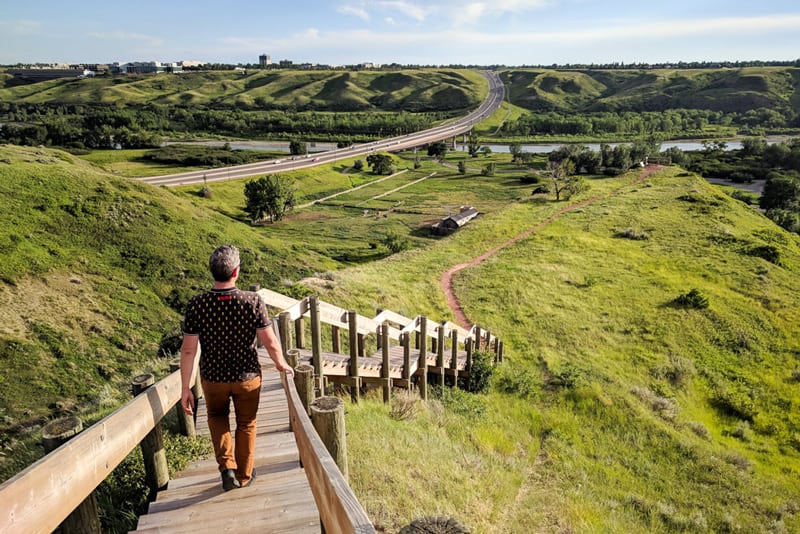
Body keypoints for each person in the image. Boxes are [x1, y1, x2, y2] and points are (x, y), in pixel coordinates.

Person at [179, 245, 295, 491]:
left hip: (212, 377)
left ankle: (227, 468)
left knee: (216, 417)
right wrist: (281, 364)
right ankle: (244, 474)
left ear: (213, 272)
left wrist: (185, 387)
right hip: (247, 376)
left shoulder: (197, 304)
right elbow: (270, 341)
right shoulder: (252, 301)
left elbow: (188, 350)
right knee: (247, 422)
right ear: (236, 272)